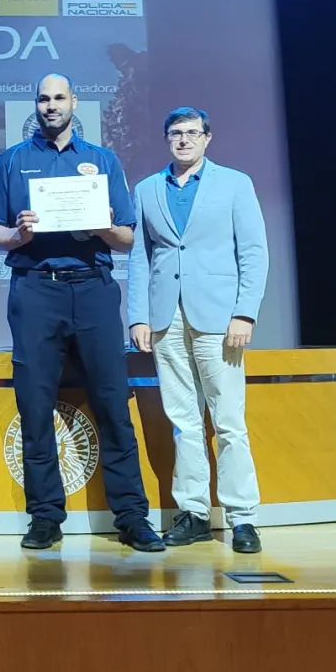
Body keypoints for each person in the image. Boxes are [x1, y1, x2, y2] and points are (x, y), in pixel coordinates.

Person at [0, 73, 164, 553]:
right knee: (36, 408)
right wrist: (18, 236)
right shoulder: (12, 160)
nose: (50, 106)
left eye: (58, 98)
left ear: (74, 103)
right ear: (35, 105)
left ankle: (131, 516)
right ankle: (45, 516)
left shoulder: (102, 161)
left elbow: (126, 237)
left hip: (93, 290)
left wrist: (102, 227)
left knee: (112, 403)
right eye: (43, 98)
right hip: (35, 289)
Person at [128, 107, 269, 554]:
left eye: (192, 133)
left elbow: (254, 252)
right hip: (166, 318)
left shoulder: (234, 183)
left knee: (228, 421)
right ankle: (192, 513)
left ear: (208, 138)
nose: (184, 140)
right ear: (166, 139)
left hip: (220, 319)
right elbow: (139, 258)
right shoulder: (148, 189)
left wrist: (244, 313)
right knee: (183, 423)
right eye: (176, 133)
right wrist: (138, 315)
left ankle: (242, 517)